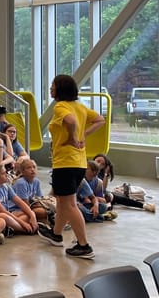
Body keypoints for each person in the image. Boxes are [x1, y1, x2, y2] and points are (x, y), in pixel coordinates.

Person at [37, 75, 105, 259]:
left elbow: (70, 121)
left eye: (53, 85)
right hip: (78, 163)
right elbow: (100, 119)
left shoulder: (61, 106)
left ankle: (84, 245)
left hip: (66, 163)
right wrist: (83, 135)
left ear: (60, 89)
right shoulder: (80, 107)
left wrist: (74, 138)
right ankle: (56, 234)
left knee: (70, 205)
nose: (50, 88)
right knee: (62, 202)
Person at [0, 164, 38, 234]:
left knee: (28, 213)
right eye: (3, 173)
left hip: (6, 215)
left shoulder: (5, 186)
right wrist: (23, 223)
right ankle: (27, 230)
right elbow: (2, 211)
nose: (6, 175)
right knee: (5, 217)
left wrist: (32, 216)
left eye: (6, 172)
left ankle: (10, 228)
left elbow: (20, 202)